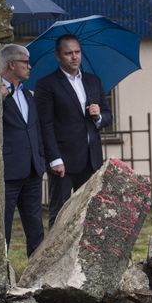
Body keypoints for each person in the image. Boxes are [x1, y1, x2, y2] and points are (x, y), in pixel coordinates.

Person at [35, 34, 113, 228]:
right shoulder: (47, 85)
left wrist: (98, 116)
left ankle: (84, 256)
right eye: (68, 53)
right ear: (58, 56)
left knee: (90, 212)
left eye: (77, 52)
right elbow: (45, 125)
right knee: (59, 213)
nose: (74, 57)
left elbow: (108, 115)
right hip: (63, 162)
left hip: (91, 159)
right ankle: (53, 257)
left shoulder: (93, 81)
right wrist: (54, 158)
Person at [0, 44, 45, 257]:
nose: (29, 67)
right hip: (8, 172)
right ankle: (2, 275)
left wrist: (41, 159)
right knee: (3, 225)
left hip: (33, 171)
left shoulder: (28, 95)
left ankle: (37, 274)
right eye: (25, 62)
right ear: (11, 64)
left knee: (36, 226)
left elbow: (35, 129)